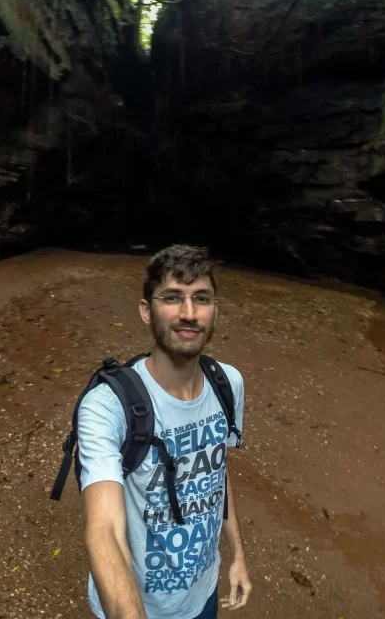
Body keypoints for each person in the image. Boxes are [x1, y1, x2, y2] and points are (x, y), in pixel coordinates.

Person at [76, 245, 251, 618]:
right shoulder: (108, 406)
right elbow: (103, 527)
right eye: (172, 298)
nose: (189, 314)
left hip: (204, 594)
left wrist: (237, 555)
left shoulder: (228, 383)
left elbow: (216, 475)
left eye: (201, 299)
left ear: (215, 310)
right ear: (146, 310)